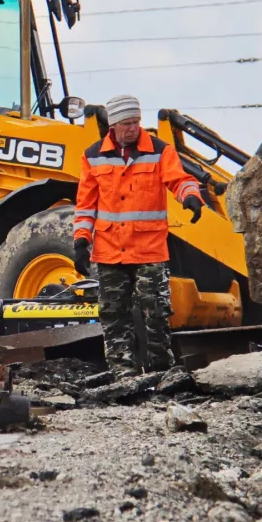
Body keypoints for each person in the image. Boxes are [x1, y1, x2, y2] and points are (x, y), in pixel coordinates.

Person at [72, 95, 206, 379]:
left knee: (156, 314)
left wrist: (191, 197)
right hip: (109, 252)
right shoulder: (93, 155)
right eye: (127, 124)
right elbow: (85, 205)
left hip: (149, 251)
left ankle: (161, 372)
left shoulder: (160, 151)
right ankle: (123, 375)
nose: (133, 128)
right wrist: (81, 241)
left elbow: (179, 179)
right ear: (114, 125)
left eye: (136, 122)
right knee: (113, 316)